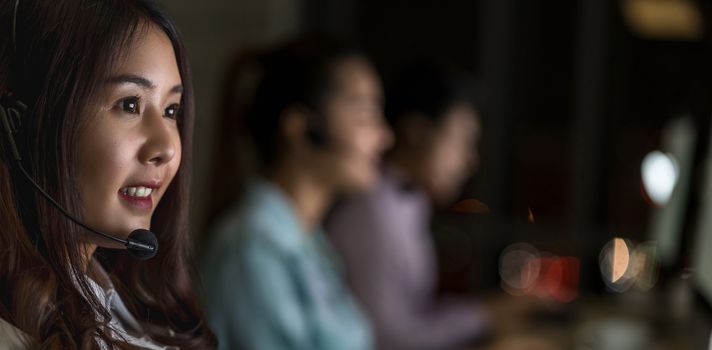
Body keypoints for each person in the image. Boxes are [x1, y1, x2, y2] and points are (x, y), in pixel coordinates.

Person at [0, 0, 216, 348]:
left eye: (171, 110)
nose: (167, 147)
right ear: (20, 124)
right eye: (130, 104)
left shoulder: (115, 302)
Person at [199, 39, 392, 350]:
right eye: (365, 114)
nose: (383, 137)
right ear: (299, 128)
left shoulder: (306, 240)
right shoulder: (254, 247)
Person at [326, 63, 487, 350]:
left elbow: (411, 316)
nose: (469, 161)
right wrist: (486, 318)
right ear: (416, 132)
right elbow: (388, 338)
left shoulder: (409, 204)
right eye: (460, 141)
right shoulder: (371, 213)